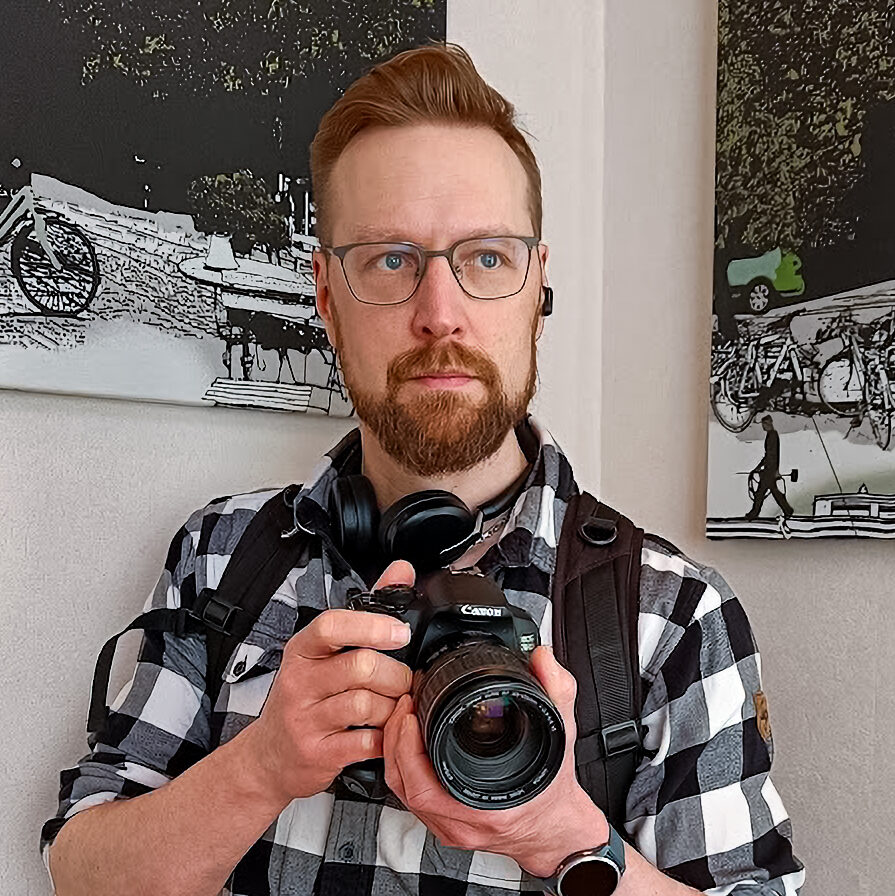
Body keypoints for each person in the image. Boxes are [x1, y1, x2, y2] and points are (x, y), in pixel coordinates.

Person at [42, 44, 805, 896]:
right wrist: (258, 768)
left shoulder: (669, 615)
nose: (440, 315)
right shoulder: (221, 555)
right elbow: (82, 873)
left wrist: (562, 836)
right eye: (390, 259)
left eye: (486, 258)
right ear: (325, 296)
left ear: (536, 289)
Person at [746, 415, 795, 520]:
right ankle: (787, 509)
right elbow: (771, 454)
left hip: (769, 470)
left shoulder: (772, 436)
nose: (763, 427)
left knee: (760, 493)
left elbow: (771, 455)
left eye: (764, 424)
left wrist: (765, 468)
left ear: (767, 424)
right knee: (774, 491)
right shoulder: (772, 435)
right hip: (770, 469)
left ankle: (754, 513)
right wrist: (762, 467)